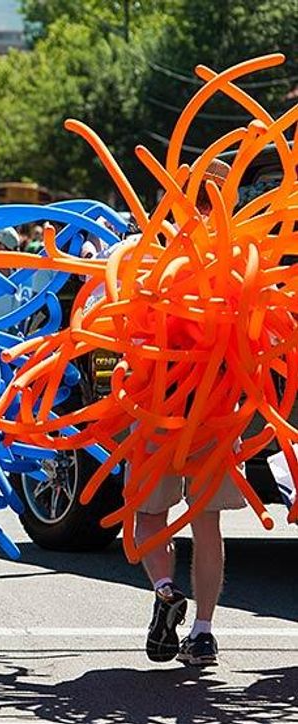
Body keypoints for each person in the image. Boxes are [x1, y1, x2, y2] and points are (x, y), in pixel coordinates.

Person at [128, 158, 240, 668]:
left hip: (158, 403)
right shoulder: (240, 256)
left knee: (148, 515)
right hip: (215, 411)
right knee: (207, 524)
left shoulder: (152, 251)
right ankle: (203, 632)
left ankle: (167, 588)